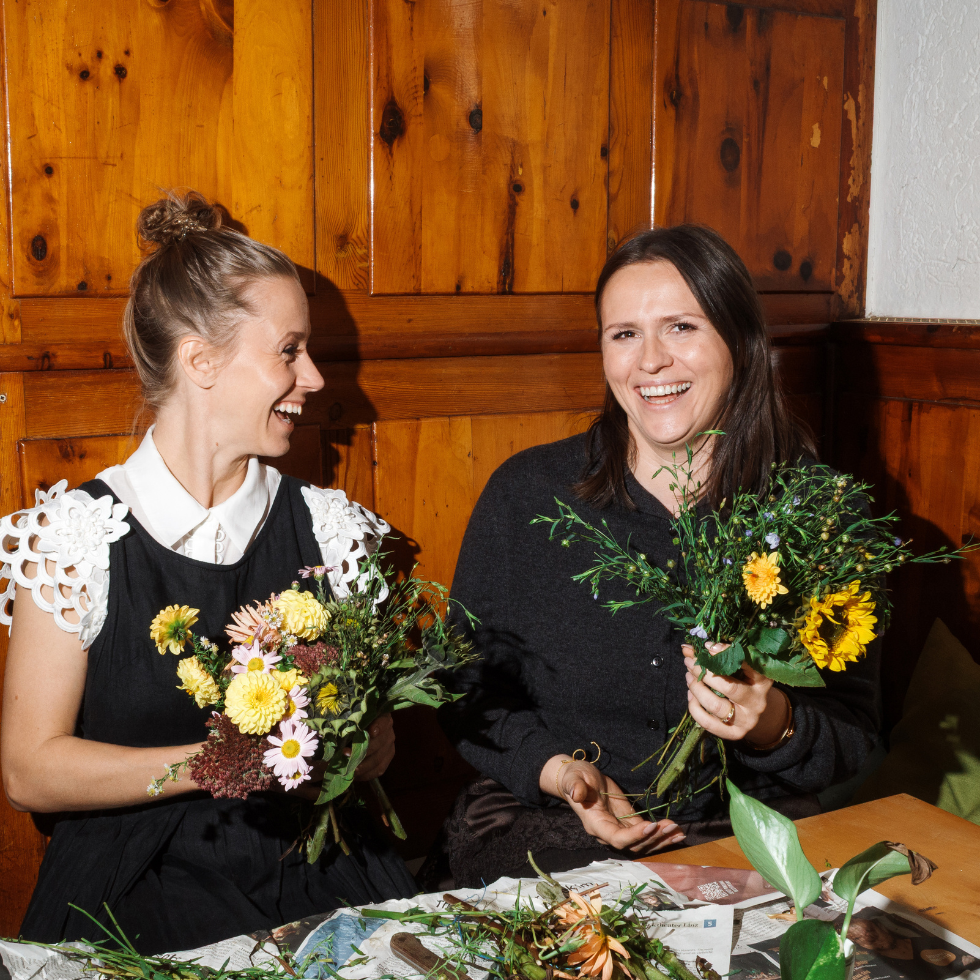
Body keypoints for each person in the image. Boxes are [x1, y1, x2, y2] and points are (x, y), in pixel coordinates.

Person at [0, 192, 416, 952]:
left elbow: (373, 740)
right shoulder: (76, 538)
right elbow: (30, 772)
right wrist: (219, 764)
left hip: (317, 871)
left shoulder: (331, 529)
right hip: (133, 884)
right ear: (201, 361)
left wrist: (366, 747)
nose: (315, 377)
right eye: (289, 350)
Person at [437, 225, 881, 888]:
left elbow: (857, 740)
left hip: (747, 841)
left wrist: (774, 726)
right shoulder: (528, 494)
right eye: (624, 334)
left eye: (680, 327)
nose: (650, 361)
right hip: (549, 827)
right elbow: (465, 690)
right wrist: (558, 771)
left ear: (741, 342)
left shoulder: (820, 514)